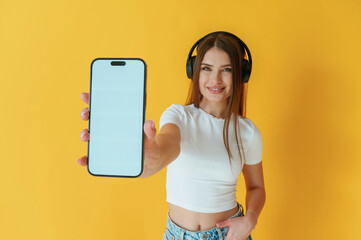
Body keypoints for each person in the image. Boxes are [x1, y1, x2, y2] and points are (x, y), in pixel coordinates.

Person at [78, 31, 265, 240]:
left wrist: (250, 219)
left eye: (227, 70)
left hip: (229, 235)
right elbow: (167, 147)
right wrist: (148, 155)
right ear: (194, 71)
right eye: (206, 68)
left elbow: (257, 187)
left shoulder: (248, 132)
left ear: (241, 74)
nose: (215, 79)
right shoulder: (179, 115)